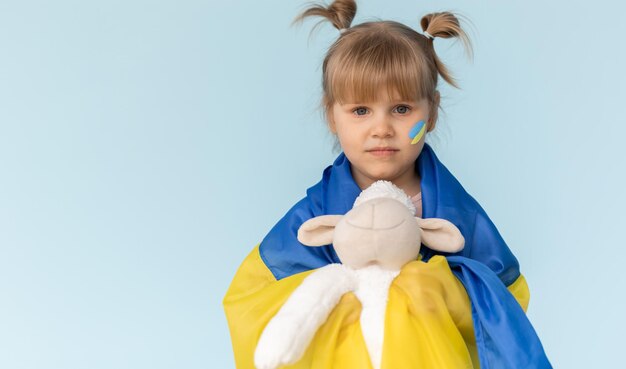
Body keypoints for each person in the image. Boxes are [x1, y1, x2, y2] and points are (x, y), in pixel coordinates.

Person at [223, 1, 550, 368]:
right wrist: (340, 295)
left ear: (433, 112)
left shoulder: (456, 213)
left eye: (401, 109)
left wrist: (440, 290)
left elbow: (508, 297)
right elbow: (251, 298)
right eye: (361, 111)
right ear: (332, 114)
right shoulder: (316, 213)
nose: (382, 128)